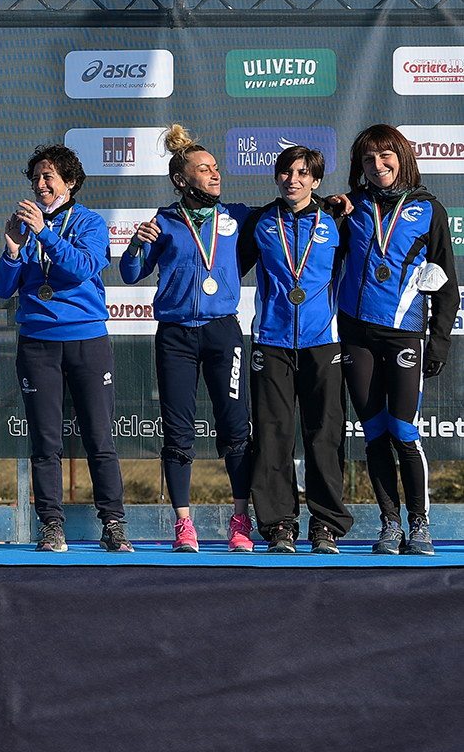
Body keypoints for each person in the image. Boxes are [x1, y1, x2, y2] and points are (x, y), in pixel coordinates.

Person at [0, 144, 131, 552]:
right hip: (38, 343)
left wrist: (45, 234)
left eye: (48, 176)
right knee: (45, 441)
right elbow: (2, 287)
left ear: (70, 182)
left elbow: (82, 267)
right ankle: (51, 524)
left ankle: (113, 523)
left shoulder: (89, 222)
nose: (40, 184)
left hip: (87, 340)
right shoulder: (26, 226)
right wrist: (12, 250)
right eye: (35, 177)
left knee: (99, 438)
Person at [120, 125, 253, 552]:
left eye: (216, 167)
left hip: (223, 332)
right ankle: (184, 524)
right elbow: (130, 274)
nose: (215, 174)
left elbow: (289, 214)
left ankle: (240, 521)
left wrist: (331, 204)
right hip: (175, 336)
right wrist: (135, 246)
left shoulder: (237, 216)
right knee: (177, 431)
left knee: (235, 426)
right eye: (204, 169)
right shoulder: (162, 222)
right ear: (181, 179)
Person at [334, 124, 458, 555]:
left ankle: (419, 524)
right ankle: (390, 524)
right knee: (373, 433)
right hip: (355, 335)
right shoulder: (351, 208)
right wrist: (332, 210)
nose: (377, 165)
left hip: (405, 333)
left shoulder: (429, 209)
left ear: (402, 157)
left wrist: (439, 342)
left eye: (385, 156)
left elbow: (446, 284)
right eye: (368, 159)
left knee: (403, 430)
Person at [237, 145, 351, 553]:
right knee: (272, 435)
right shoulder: (260, 221)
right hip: (272, 340)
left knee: (325, 433)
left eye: (303, 173)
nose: (293, 180)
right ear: (276, 177)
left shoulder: (338, 219)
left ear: (316, 181)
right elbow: (228, 269)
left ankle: (326, 525)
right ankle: (279, 525)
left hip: (323, 340)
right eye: (286, 172)